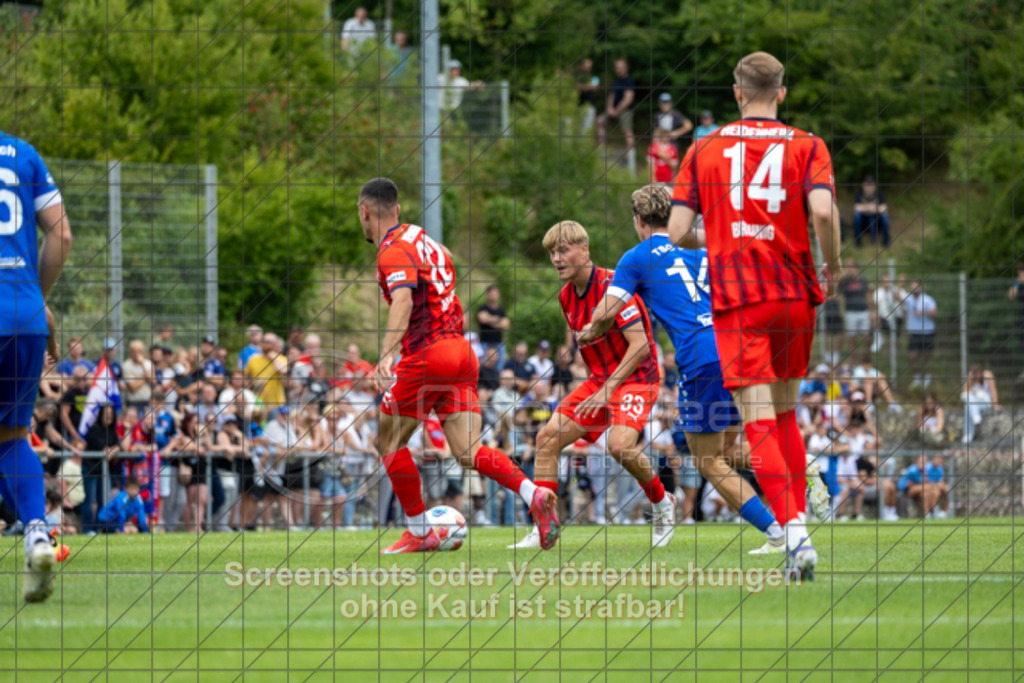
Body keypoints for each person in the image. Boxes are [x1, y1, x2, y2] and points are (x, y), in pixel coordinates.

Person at [667, 51, 843, 581]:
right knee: (786, 415)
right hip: (794, 293)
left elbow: (676, 232)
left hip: (740, 298)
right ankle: (797, 526)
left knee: (758, 420)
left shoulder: (704, 148)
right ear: (782, 94)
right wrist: (831, 264)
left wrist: (720, 239)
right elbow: (821, 211)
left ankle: (795, 535)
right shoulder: (809, 144)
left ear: (737, 92)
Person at [580, 185, 796, 555]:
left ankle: (778, 533)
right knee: (728, 448)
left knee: (707, 460)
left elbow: (605, 312)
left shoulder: (638, 257)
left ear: (638, 220)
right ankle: (800, 472)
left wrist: (589, 332)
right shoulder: (704, 246)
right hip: (741, 347)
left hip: (702, 357)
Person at [358, 177, 558, 553]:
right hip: (462, 353)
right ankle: (533, 495)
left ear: (364, 212)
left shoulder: (392, 251)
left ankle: (419, 531)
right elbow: (443, 279)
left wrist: (386, 354)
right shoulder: (428, 242)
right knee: (468, 452)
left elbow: (402, 301)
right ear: (397, 210)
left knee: (387, 441)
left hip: (428, 354)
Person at [510, 220, 675, 549]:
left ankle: (662, 503)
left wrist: (606, 390)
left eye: (563, 250)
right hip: (601, 382)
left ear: (584, 250)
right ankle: (543, 527)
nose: (556, 258)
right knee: (546, 437)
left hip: (636, 379)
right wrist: (596, 387)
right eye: (552, 253)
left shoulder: (616, 285)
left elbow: (641, 345)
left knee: (620, 447)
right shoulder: (565, 297)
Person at [0, 131, 74, 602]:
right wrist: (34, 296)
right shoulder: (22, 153)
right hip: (24, 314)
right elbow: (61, 233)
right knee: (10, 436)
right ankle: (37, 534)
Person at [596, 59, 636, 159]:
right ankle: (601, 150)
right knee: (599, 121)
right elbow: (611, 95)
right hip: (612, 109)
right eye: (617, 68)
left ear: (626, 68)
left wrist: (617, 111)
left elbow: (628, 99)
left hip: (625, 110)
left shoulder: (629, 81)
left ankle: (629, 157)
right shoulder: (616, 80)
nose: (619, 70)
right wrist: (609, 108)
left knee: (627, 131)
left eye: (621, 67)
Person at [837, 261, 874, 358]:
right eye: (849, 268)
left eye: (852, 267)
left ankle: (866, 359)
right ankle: (854, 363)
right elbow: (838, 295)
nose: (850, 270)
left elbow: (868, 295)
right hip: (850, 313)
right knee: (852, 339)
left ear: (856, 269)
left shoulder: (863, 280)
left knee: (866, 337)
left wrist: (872, 311)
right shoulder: (844, 281)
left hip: (864, 312)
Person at [905, 280, 937, 388]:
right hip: (914, 333)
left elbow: (935, 312)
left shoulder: (927, 299)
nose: (914, 289)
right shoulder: (908, 299)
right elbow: (896, 297)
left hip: (927, 332)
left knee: (927, 356)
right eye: (912, 287)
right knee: (912, 356)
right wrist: (900, 282)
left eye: (916, 287)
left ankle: (928, 378)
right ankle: (917, 378)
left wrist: (922, 312)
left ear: (921, 288)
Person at [476, 285, 509, 368]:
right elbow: (482, 319)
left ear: (498, 295)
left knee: (500, 366)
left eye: (494, 293)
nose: (492, 295)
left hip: (498, 342)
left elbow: (506, 325)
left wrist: (489, 319)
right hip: (484, 342)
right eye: (491, 293)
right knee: (483, 366)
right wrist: (498, 320)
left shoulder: (502, 310)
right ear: (487, 295)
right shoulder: (482, 308)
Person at [852, 176, 890, 247]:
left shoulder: (879, 194)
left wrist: (874, 208)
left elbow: (884, 208)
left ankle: (886, 241)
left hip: (877, 222)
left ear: (874, 185)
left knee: (885, 215)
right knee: (856, 215)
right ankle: (858, 241)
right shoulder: (859, 194)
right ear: (862, 185)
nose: (869, 187)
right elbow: (856, 208)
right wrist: (868, 207)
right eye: (867, 185)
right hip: (863, 221)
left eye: (871, 185)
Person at [575, 59, 599, 135]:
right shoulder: (577, 74)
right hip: (580, 105)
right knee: (580, 127)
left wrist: (591, 86)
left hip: (589, 105)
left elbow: (595, 87)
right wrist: (589, 86)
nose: (588, 68)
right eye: (586, 66)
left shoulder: (590, 76)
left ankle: (582, 145)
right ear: (582, 65)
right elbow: (577, 87)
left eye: (589, 67)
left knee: (587, 128)